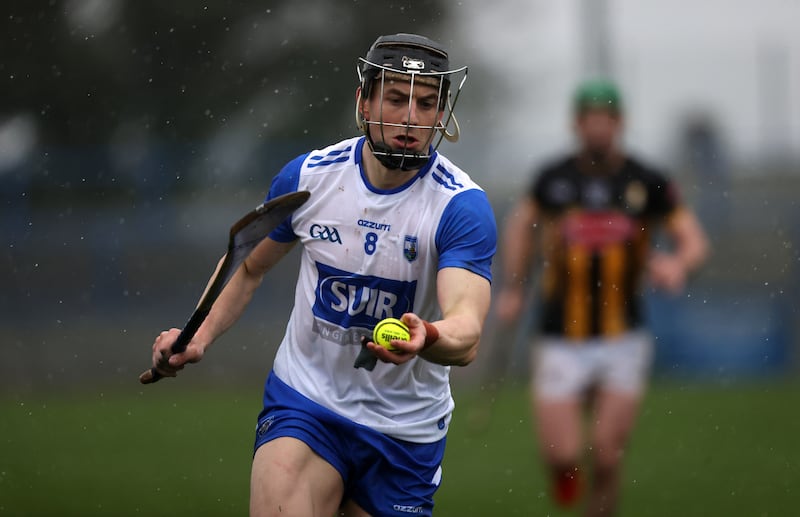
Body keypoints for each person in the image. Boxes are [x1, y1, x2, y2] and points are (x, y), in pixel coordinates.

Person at [148, 33, 496, 517]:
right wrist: (196, 335)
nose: (411, 118)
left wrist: (428, 335)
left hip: (405, 430)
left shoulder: (461, 207)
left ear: (442, 116)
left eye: (426, 104)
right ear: (364, 100)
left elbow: (468, 331)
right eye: (397, 99)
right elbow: (249, 265)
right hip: (307, 401)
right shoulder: (309, 178)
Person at [494, 79, 708, 516]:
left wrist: (678, 264)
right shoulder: (552, 180)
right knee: (564, 455)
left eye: (605, 119)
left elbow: (693, 239)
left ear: (619, 123)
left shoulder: (647, 181)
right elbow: (519, 228)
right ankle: (564, 471)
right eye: (589, 120)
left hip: (622, 335)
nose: (597, 129)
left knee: (608, 455)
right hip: (559, 335)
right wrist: (514, 287)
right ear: (576, 124)